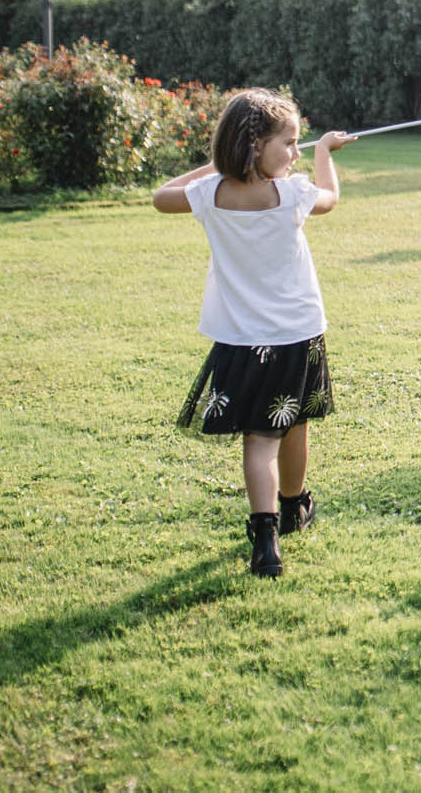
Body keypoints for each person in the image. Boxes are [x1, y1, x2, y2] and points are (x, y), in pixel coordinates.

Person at [152, 88, 353, 577]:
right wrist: (326, 152)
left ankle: (266, 534)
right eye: (288, 142)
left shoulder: (210, 194)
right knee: (295, 421)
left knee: (260, 439)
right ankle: (293, 506)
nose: (295, 152)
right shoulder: (291, 194)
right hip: (296, 333)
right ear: (253, 146)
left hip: (242, 340)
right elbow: (330, 199)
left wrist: (219, 168)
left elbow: (160, 197)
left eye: (301, 144)